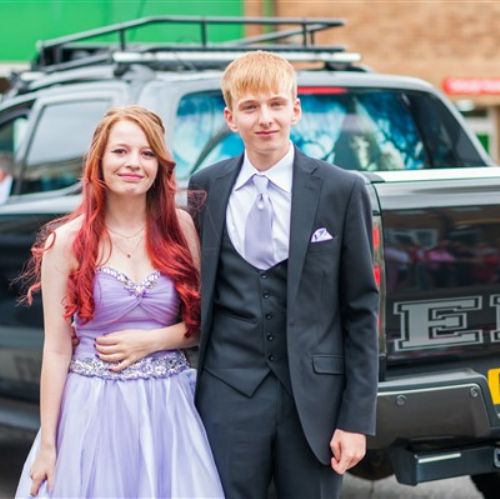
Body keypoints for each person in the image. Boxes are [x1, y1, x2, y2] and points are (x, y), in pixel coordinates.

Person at [187, 51, 379, 499]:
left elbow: (360, 310)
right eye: (250, 107)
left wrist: (355, 419)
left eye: (276, 104)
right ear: (231, 118)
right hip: (227, 392)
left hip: (315, 399)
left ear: (295, 109)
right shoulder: (206, 187)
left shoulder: (342, 189)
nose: (265, 118)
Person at [15, 106, 224, 498]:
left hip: (168, 408)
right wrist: (48, 446)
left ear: (159, 165)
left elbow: (204, 324)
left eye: (147, 153)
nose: (134, 163)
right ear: (99, 160)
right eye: (120, 151)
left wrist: (152, 341)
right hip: (92, 408)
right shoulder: (67, 241)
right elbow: (56, 350)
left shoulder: (180, 228)